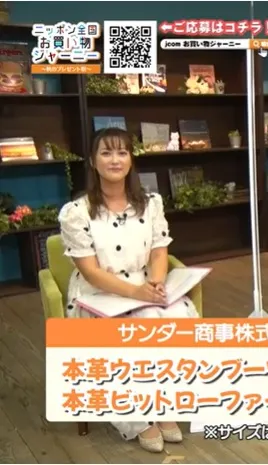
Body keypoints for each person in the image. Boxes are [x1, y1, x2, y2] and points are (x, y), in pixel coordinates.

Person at [58, 128, 200, 452]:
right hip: (99, 293)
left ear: (131, 160)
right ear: (92, 161)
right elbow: (91, 272)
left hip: (143, 284)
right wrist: (135, 294)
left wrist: (157, 283)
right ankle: (137, 418)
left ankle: (163, 405)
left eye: (122, 152)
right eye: (106, 153)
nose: (115, 160)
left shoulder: (150, 204)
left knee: (172, 320)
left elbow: (159, 251)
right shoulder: (77, 212)